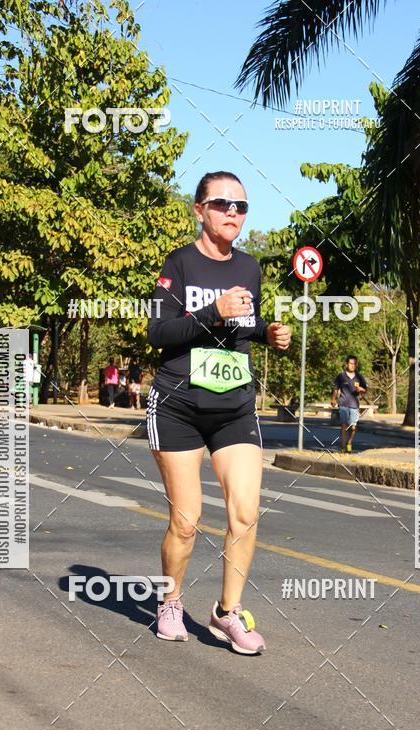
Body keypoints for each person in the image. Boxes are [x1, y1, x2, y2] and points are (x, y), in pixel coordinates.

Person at [147, 170, 291, 654]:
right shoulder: (180, 264)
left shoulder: (249, 267)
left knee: (246, 513)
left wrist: (267, 332)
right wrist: (213, 313)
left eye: (242, 206)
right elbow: (159, 333)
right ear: (200, 210)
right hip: (178, 405)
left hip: (233, 407)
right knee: (187, 520)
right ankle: (170, 602)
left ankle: (227, 613)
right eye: (222, 204)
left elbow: (241, 327)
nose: (233, 212)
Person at [331, 355, 368, 453]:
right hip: (343, 403)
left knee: (353, 427)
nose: (353, 365)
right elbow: (335, 388)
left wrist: (361, 389)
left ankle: (349, 442)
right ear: (347, 364)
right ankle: (343, 447)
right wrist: (333, 399)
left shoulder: (359, 377)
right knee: (344, 424)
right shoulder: (341, 376)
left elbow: (365, 390)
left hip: (354, 405)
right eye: (351, 363)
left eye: (354, 364)